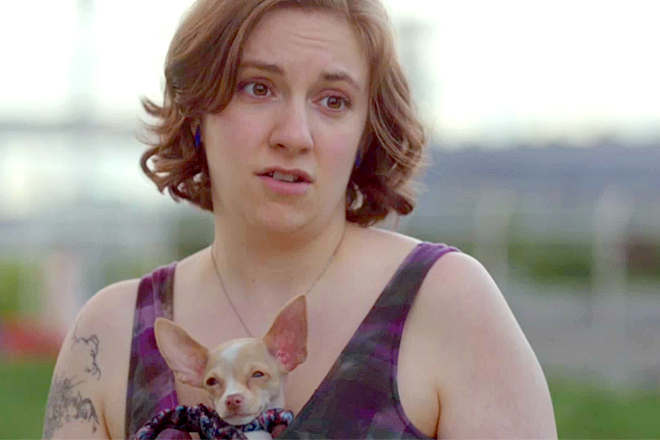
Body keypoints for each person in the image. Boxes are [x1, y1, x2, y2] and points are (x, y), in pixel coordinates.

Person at [42, 0, 557, 438]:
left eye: (333, 100)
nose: (294, 134)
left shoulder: (450, 305)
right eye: (257, 88)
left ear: (366, 134)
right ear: (196, 108)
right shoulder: (109, 337)